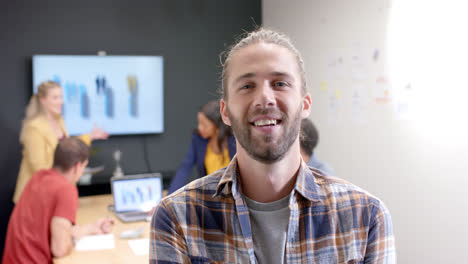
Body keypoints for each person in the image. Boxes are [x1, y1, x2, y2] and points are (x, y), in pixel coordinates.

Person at [150, 28, 395, 263]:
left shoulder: (366, 217)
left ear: (305, 104)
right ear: (225, 111)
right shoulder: (177, 219)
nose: (265, 98)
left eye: (280, 83)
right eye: (247, 86)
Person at [3, 137, 114, 263]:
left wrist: (90, 228)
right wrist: (73, 240)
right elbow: (59, 249)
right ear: (77, 167)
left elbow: (55, 230)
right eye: (84, 167)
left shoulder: (38, 177)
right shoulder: (66, 189)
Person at [13, 80, 109, 203]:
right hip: (36, 196)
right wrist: (67, 174)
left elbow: (65, 147)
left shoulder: (59, 120)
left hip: (56, 190)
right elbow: (39, 168)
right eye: (55, 98)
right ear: (42, 99)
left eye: (61, 97)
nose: (61, 101)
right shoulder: (34, 128)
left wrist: (89, 136)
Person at [167, 100, 236, 194]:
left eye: (204, 125)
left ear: (217, 125)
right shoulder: (198, 140)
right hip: (211, 196)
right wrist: (169, 196)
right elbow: (184, 168)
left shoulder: (235, 140)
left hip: (234, 195)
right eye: (199, 123)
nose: (199, 128)